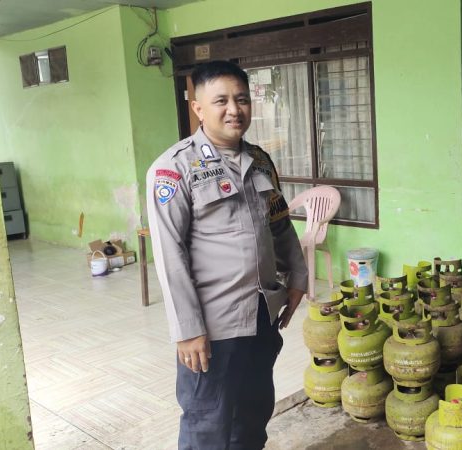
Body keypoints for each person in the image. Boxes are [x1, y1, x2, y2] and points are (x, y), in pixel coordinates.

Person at [147, 60, 307, 449]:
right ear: (198, 108)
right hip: (213, 326)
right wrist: (187, 331)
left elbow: (279, 223)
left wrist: (297, 278)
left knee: (253, 414)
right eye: (221, 100)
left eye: (241, 99)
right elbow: (170, 257)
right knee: (207, 424)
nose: (234, 109)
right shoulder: (174, 169)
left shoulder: (260, 161)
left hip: (260, 315)